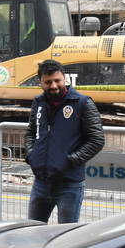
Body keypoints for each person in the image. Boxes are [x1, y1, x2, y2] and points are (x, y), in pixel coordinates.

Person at [25, 59, 105, 224]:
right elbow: (31, 132)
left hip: (69, 185)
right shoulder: (38, 103)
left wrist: (70, 161)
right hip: (41, 183)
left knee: (66, 236)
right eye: (48, 82)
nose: (53, 85)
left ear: (64, 79)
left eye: (57, 80)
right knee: (32, 231)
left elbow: (96, 139)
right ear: (40, 82)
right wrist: (31, 155)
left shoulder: (83, 103)